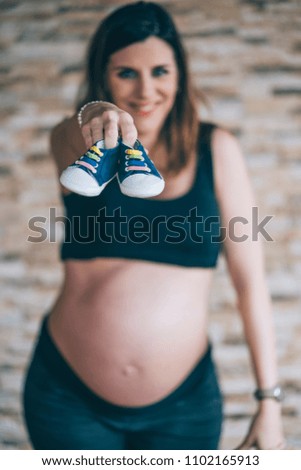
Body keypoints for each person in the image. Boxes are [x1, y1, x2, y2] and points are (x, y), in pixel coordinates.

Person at [22, 1, 285, 450]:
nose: (145, 91)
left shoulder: (216, 149)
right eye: (126, 73)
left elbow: (250, 285)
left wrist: (269, 401)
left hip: (185, 408)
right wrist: (99, 115)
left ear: (180, 75)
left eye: (160, 71)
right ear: (102, 76)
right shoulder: (78, 143)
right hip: (68, 400)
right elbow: (70, 131)